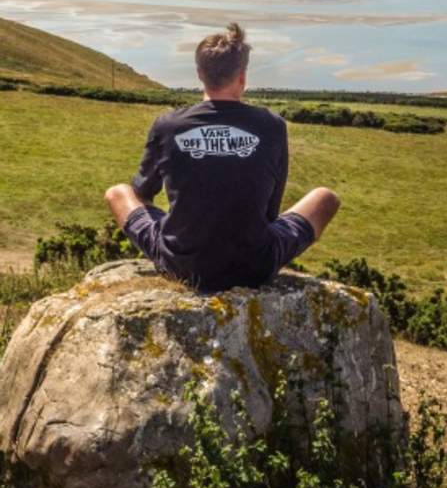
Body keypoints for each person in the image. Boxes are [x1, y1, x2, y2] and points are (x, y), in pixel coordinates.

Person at [104, 22, 340, 292]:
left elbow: (142, 192)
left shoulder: (168, 126)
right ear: (242, 77)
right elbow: (270, 213)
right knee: (325, 198)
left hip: (181, 265)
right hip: (255, 266)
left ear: (199, 74)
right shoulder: (272, 125)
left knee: (118, 193)